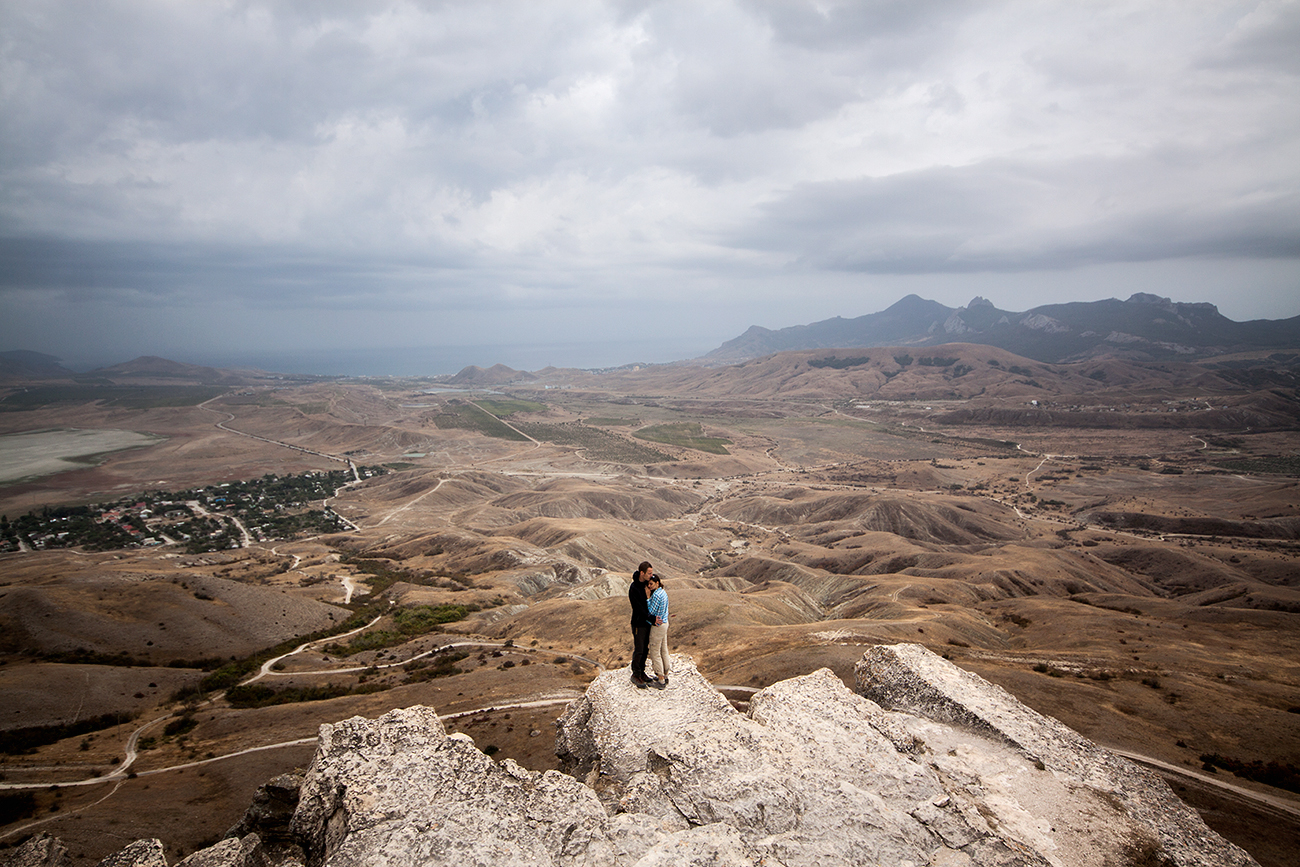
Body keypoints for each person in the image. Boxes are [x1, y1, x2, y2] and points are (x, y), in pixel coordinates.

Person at [628, 561, 654, 688]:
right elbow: (638, 608)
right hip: (639, 623)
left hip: (647, 622)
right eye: (649, 573)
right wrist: (651, 618)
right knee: (639, 648)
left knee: (645, 648)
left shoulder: (646, 584)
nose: (651, 576)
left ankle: (642, 672)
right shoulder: (634, 588)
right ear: (642, 573)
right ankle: (636, 674)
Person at [645, 573, 670, 689]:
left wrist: (648, 597)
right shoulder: (663, 593)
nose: (649, 586)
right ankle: (665, 674)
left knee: (655, 651)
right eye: (648, 584)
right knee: (664, 649)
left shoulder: (656, 596)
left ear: (657, 583)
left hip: (657, 626)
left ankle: (660, 679)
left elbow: (651, 611)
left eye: (651, 584)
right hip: (665, 623)